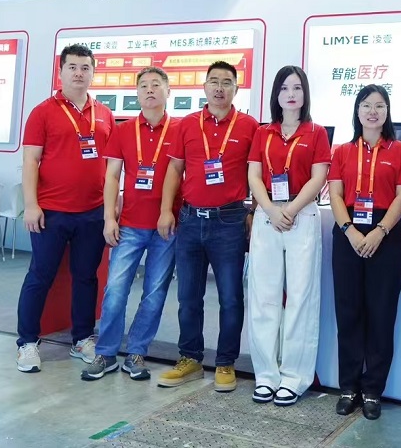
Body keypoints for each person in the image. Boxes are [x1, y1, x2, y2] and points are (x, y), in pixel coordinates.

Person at [157, 61, 259, 393]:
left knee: (230, 297)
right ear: (204, 87)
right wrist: (166, 211)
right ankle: (190, 359)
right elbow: (175, 170)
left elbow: (258, 173)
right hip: (189, 220)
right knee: (188, 296)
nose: (219, 88)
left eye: (226, 82)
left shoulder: (249, 126)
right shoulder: (187, 124)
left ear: (236, 89)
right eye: (213, 81)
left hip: (229, 221)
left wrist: (254, 211)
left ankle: (226, 362)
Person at [16, 44, 114, 373]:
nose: (79, 73)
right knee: (40, 276)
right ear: (61, 72)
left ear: (93, 73)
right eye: (72, 67)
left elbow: (112, 165)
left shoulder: (104, 113)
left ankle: (82, 338)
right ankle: (27, 342)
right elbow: (30, 161)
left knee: (86, 278)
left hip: (92, 211)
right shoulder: (43, 112)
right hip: (51, 211)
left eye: (85, 68)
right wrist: (31, 205)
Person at [81, 67, 180, 381]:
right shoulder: (123, 130)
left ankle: (137, 352)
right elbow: (112, 176)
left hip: (167, 227)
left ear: (168, 91)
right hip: (130, 225)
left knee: (154, 293)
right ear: (137, 93)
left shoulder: (180, 129)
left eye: (156, 85)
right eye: (144, 86)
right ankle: (106, 353)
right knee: (115, 290)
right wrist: (109, 217)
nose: (149, 90)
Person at [246, 65, 331, 406]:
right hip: (268, 216)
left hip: (301, 215)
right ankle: (266, 375)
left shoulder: (316, 132)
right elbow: (254, 176)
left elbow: (318, 177)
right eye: (284, 88)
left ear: (305, 93)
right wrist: (270, 209)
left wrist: (291, 209)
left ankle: (294, 378)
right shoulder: (263, 132)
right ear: (276, 94)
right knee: (263, 297)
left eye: (297, 87)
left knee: (300, 298)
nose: (291, 94)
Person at [328, 84, 401, 421]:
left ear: (387, 111)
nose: (373, 111)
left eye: (379, 105)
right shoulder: (343, 151)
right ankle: (348, 387)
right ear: (357, 111)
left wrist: (380, 231)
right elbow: (336, 194)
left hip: (385, 235)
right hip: (348, 232)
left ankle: (373, 390)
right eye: (366, 105)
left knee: (381, 314)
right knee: (348, 313)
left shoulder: (400, 151)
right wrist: (349, 231)